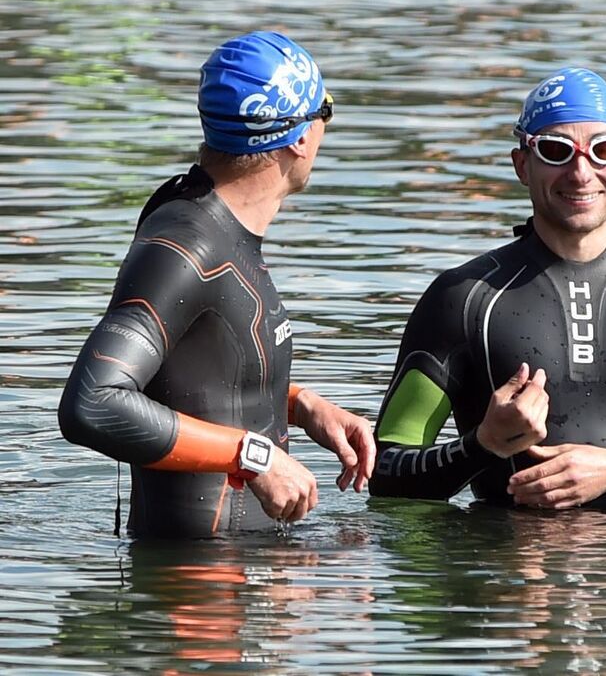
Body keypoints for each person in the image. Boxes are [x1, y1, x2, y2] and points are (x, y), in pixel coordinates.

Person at [369, 67, 606, 508]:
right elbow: (385, 473)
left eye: (602, 150)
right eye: (556, 151)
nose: (580, 172)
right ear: (522, 165)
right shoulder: (463, 297)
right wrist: (484, 444)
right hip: (504, 567)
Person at [58, 31, 375, 538]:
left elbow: (197, 378)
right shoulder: (187, 247)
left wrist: (300, 406)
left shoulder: (207, 222)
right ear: (298, 136)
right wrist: (253, 456)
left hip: (242, 579)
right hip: (195, 589)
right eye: (325, 110)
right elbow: (92, 404)